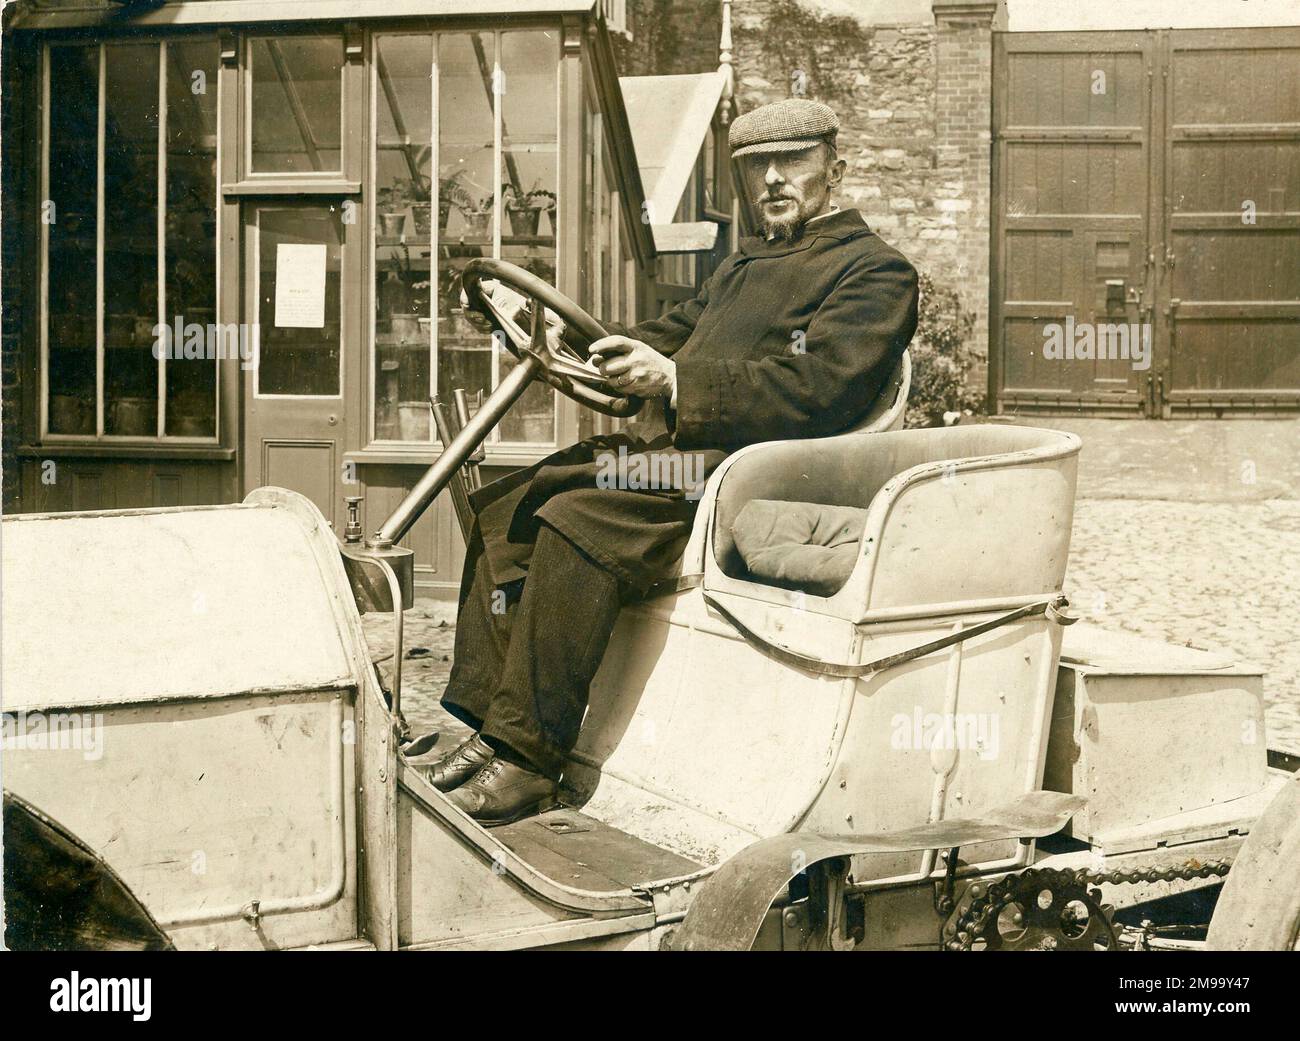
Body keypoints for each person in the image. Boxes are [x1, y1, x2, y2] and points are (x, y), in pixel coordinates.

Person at [420, 97, 919, 825]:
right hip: (690, 461)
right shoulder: (746, 265)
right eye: (756, 167)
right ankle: (493, 729)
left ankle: (529, 757)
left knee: (577, 515)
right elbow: (662, 333)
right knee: (513, 502)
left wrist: (677, 381)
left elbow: (817, 390)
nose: (773, 180)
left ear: (833, 169)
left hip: (756, 476)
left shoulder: (873, 273)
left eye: (793, 163)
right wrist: (550, 329)